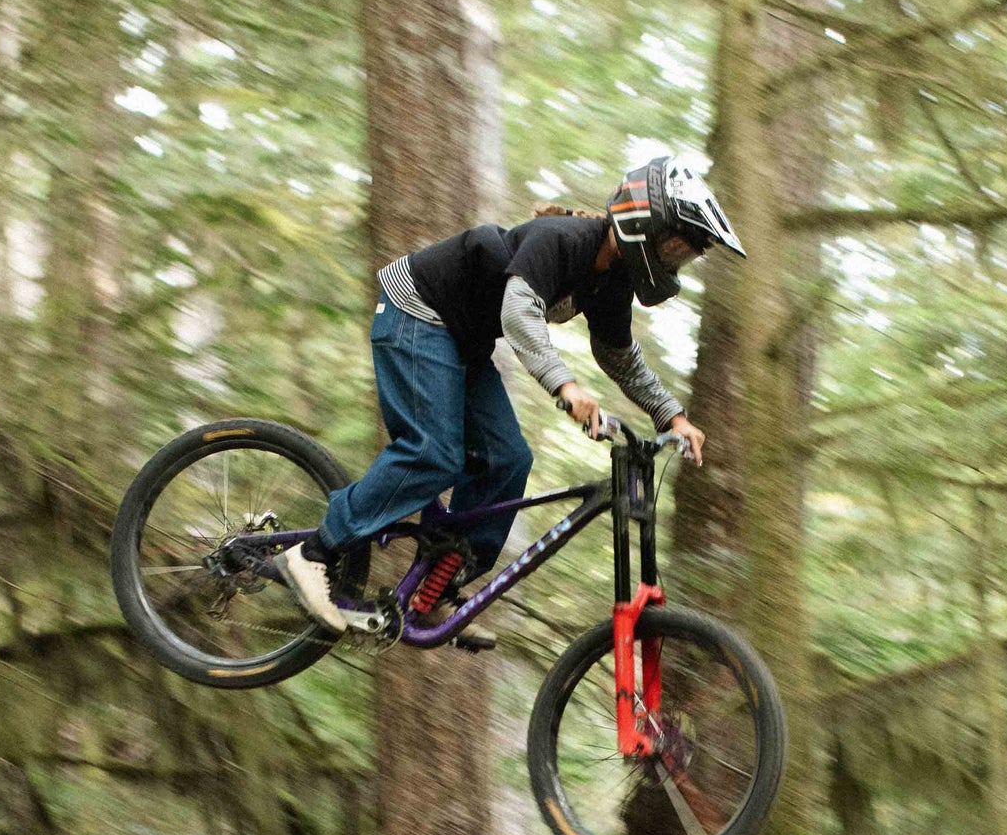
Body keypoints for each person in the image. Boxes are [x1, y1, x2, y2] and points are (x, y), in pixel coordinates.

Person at [278, 153, 746, 633]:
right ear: (645, 222)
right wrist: (566, 387)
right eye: (674, 247)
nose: (675, 260)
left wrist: (673, 417)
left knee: (507, 459)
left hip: (460, 340)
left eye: (684, 254)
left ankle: (437, 584)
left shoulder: (611, 280)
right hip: (417, 312)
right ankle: (316, 551)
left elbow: (620, 357)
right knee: (434, 455)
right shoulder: (562, 241)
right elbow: (518, 314)